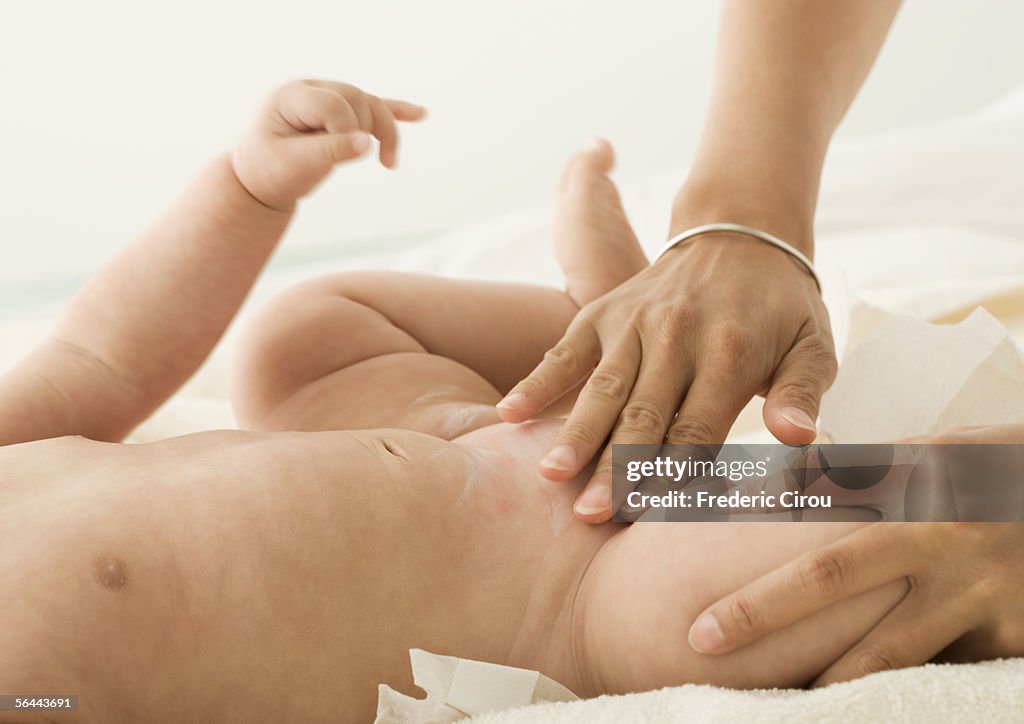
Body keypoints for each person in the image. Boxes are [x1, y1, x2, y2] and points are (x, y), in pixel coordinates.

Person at [0, 80, 908, 723]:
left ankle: (588, 332)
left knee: (301, 335)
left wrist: (245, 187)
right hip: (563, 602)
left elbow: (98, 357)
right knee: (905, 516)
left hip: (448, 427)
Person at [494, 0, 1024, 681]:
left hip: (596, 578)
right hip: (556, 492)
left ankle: (584, 300)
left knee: (947, 499)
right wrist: (740, 218)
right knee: (954, 502)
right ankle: (591, 303)